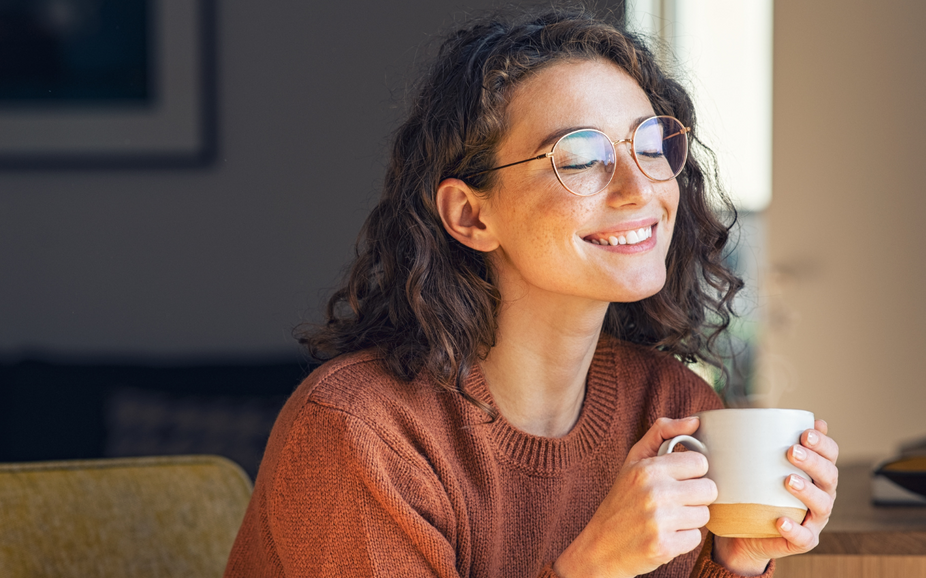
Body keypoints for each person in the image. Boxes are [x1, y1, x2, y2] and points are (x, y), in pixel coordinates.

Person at [224, 7, 838, 578]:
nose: (638, 188)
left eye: (649, 145)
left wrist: (737, 561)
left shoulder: (671, 405)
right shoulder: (361, 434)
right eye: (579, 158)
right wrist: (592, 566)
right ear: (470, 216)